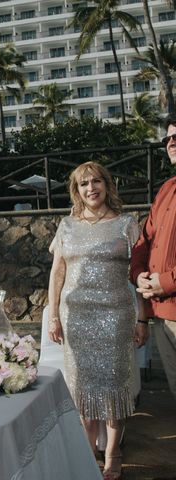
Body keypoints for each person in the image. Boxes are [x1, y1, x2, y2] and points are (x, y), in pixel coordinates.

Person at [47, 161, 147, 480]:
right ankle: (87, 452)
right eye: (83, 183)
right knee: (82, 389)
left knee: (115, 388)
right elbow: (57, 273)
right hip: (75, 317)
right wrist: (53, 316)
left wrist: (142, 318)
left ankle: (113, 453)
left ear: (107, 185)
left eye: (96, 181)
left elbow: (140, 274)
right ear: (76, 191)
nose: (91, 188)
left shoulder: (127, 224)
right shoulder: (67, 226)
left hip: (116, 316)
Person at [131, 114, 176, 401]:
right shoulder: (166, 189)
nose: (171, 142)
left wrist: (166, 282)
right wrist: (139, 275)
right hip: (162, 313)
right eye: (168, 138)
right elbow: (144, 241)